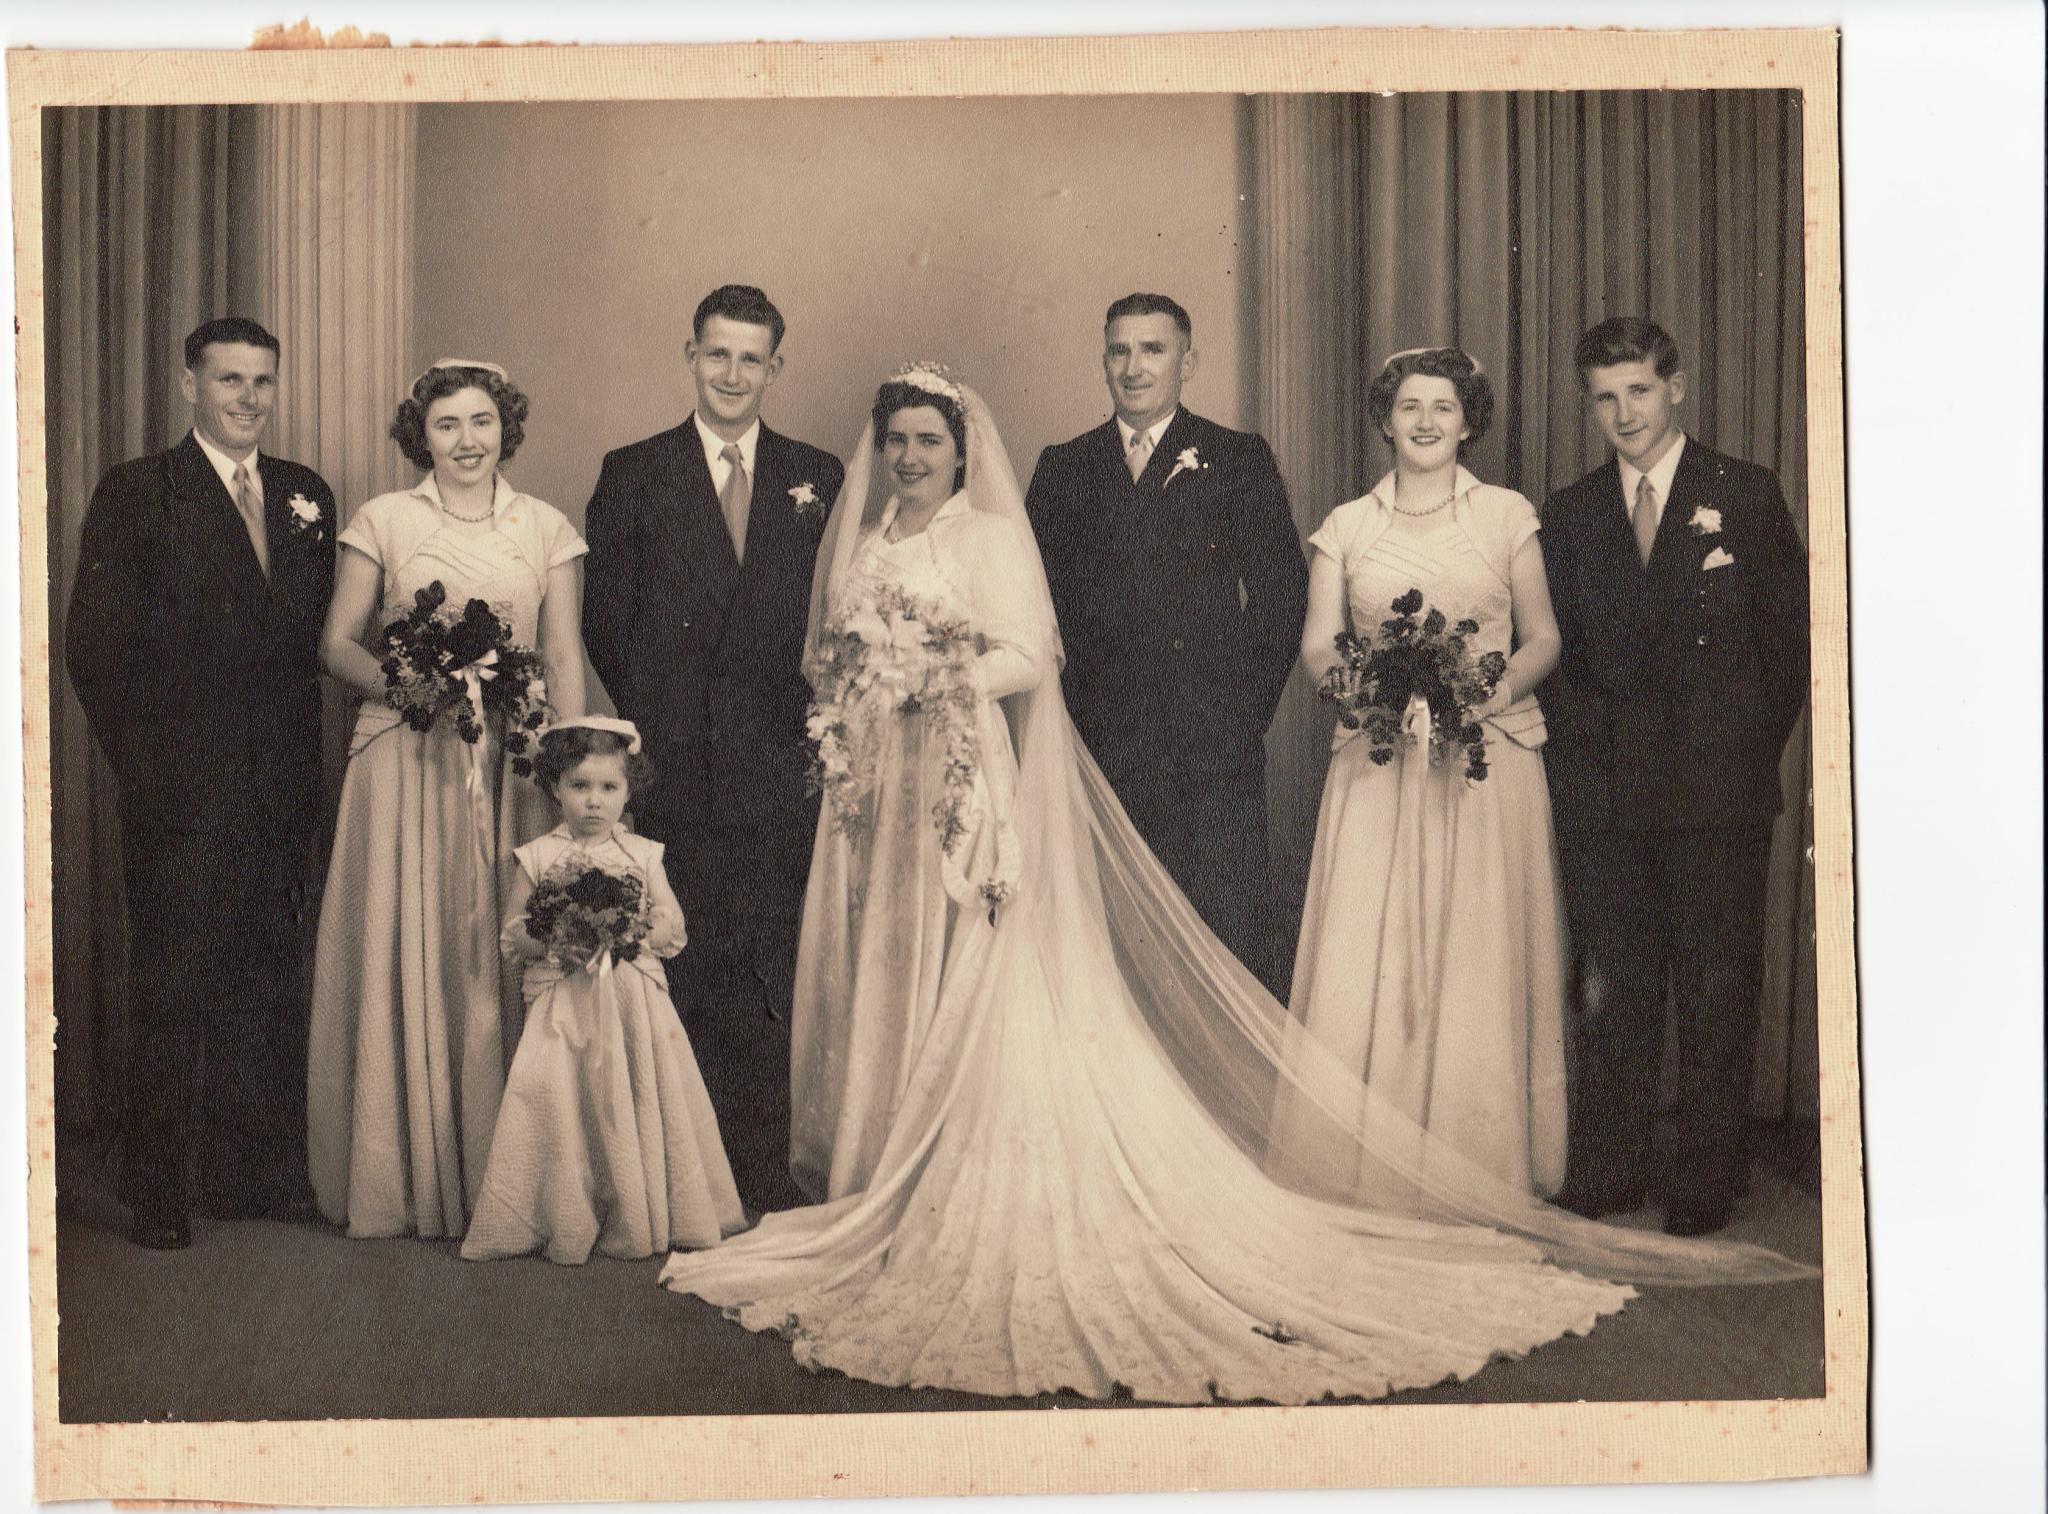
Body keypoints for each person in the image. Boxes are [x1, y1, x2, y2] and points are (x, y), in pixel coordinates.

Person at [658, 363, 1810, 1407]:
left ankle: (963, 1167)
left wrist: (932, 675)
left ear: (961, 451)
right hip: (881, 800)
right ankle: (882, 1166)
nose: (910, 456)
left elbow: (1028, 652)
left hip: (962, 782)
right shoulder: (865, 539)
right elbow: (830, 658)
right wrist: (865, 689)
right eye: (897, 440)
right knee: (886, 961)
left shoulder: (991, 536)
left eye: (928, 440)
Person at [65, 316, 336, 1249]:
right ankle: (158, 1190)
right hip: (181, 793)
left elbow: (303, 645)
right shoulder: (140, 492)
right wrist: (153, 772)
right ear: (189, 385)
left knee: (264, 980)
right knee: (173, 986)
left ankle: (248, 1175)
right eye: (229, 380)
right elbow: (95, 650)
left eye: (262, 381)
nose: (249, 399)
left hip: (280, 787)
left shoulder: (305, 493)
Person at [1275, 348, 1568, 1201]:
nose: (1427, 422)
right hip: (1380, 767)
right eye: (1410, 406)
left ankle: (1480, 1162)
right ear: (1387, 419)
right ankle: (1360, 1165)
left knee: (1474, 954)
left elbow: (1543, 638)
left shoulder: (1506, 516)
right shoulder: (1347, 527)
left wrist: (1481, 695)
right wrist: (1368, 697)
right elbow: (1318, 645)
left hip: (1486, 765)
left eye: (1444, 407)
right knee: (1370, 955)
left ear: (1468, 421)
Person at [306, 360, 589, 1240]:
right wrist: (415, 689)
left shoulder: (546, 526)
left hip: (512, 762)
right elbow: (336, 643)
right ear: (420, 435)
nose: (467, 441)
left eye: (481, 422)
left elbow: (563, 653)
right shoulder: (383, 519)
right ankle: (411, 1171)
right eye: (446, 424)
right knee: (416, 937)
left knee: (497, 936)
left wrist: (571, 764)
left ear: (506, 427)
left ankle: (510, 1178)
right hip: (407, 758)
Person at [1542, 317, 1811, 1237]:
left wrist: (1736, 756)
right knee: (1614, 987)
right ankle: (1612, 1167)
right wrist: (1594, 766)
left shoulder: (1745, 493)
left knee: (1715, 989)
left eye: (1640, 392)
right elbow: (1558, 657)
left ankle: (1706, 1175)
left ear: (1677, 388)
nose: (1624, 414)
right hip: (1608, 794)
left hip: (1718, 792)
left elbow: (1789, 648)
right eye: (1605, 398)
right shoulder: (1571, 512)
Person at [582, 285, 845, 1213]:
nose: (733, 374)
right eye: (717, 354)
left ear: (776, 368)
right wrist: (667, 724)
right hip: (679, 763)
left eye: (751, 359)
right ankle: (682, 1181)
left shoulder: (818, 474)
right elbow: (605, 622)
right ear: (690, 354)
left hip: (779, 766)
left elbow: (836, 612)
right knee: (681, 962)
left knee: (771, 969)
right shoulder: (634, 471)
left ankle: (763, 1173)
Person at [1024, 293, 1306, 993]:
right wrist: (1061, 723)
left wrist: (1238, 715)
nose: (1134, 367)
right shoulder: (1064, 466)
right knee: (1103, 939)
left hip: (1206, 749)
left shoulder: (1236, 459)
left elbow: (1281, 600)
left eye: (1153, 349)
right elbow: (1033, 605)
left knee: (1218, 934)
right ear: (1103, 362)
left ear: (1188, 361)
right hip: (1098, 743)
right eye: (1119, 350)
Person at [461, 718, 745, 1264]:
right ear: (554, 788)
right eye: (579, 786)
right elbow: (513, 935)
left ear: (628, 791)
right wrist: (554, 936)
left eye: (609, 787)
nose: (594, 801)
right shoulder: (538, 856)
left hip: (630, 1001)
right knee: (560, 1099)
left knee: (634, 1094)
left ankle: (640, 1207)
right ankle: (562, 1212)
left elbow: (672, 926)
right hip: (564, 1003)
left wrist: (632, 929)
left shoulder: (643, 854)